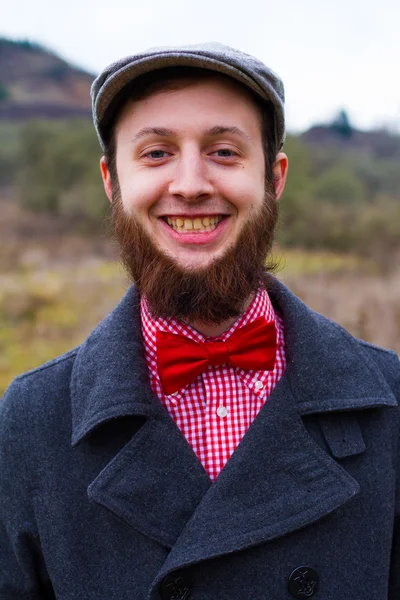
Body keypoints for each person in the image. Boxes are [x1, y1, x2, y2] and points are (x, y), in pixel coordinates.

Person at [0, 43, 399, 600]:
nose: (190, 184)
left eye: (225, 152)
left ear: (274, 179)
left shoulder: (392, 403)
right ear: (112, 182)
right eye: (157, 153)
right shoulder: (28, 420)